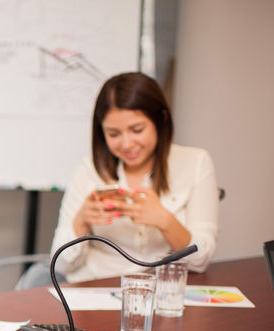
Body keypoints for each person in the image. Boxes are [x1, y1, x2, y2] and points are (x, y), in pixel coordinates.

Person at [47, 71, 219, 283]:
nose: (127, 144)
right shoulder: (89, 170)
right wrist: (81, 221)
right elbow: (61, 265)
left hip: (165, 293)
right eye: (113, 134)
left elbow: (201, 261)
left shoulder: (196, 163)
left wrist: (164, 221)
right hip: (96, 289)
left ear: (161, 119)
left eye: (137, 130)